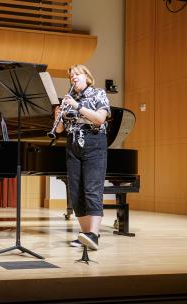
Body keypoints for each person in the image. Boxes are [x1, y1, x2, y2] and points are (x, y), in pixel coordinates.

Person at [53, 64, 111, 250]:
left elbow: (100, 119)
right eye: (71, 76)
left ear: (87, 76)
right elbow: (60, 130)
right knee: (76, 192)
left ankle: (94, 235)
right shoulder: (70, 99)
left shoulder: (98, 94)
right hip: (73, 144)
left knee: (92, 190)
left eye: (77, 75)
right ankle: (85, 234)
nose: (74, 78)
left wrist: (77, 107)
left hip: (94, 143)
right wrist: (57, 116)